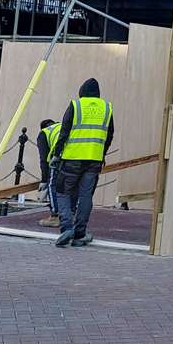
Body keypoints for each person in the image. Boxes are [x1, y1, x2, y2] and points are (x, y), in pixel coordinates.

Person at [51, 78, 114, 248]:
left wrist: (57, 154)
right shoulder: (107, 108)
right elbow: (109, 136)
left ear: (81, 91)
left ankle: (66, 227)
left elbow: (64, 131)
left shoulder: (76, 105)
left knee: (63, 192)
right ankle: (80, 233)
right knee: (86, 196)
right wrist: (102, 154)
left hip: (72, 158)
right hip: (94, 160)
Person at [36, 117, 62, 228]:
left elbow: (44, 159)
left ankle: (55, 216)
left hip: (59, 157)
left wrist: (44, 180)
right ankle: (71, 215)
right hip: (76, 156)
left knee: (53, 185)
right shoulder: (61, 126)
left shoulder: (44, 133)